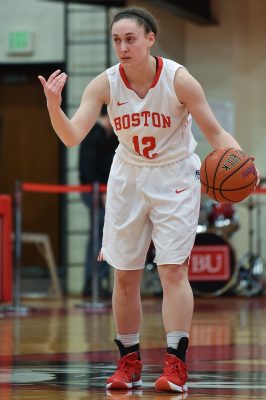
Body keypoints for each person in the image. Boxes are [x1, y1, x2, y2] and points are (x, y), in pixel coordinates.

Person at [38, 6, 247, 393]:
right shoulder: (104, 84)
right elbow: (71, 136)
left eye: (130, 39)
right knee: (124, 276)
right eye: (116, 40)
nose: (122, 46)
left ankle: (175, 363)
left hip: (175, 177)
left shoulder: (179, 80)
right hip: (128, 177)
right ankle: (128, 362)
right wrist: (53, 105)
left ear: (149, 39)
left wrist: (240, 162)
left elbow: (216, 133)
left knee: (172, 271)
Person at [79, 104, 118, 297]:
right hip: (94, 192)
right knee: (99, 236)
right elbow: (88, 168)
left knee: (100, 235)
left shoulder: (107, 136)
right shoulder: (94, 135)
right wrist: (100, 190)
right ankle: (93, 279)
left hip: (102, 191)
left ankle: (95, 279)